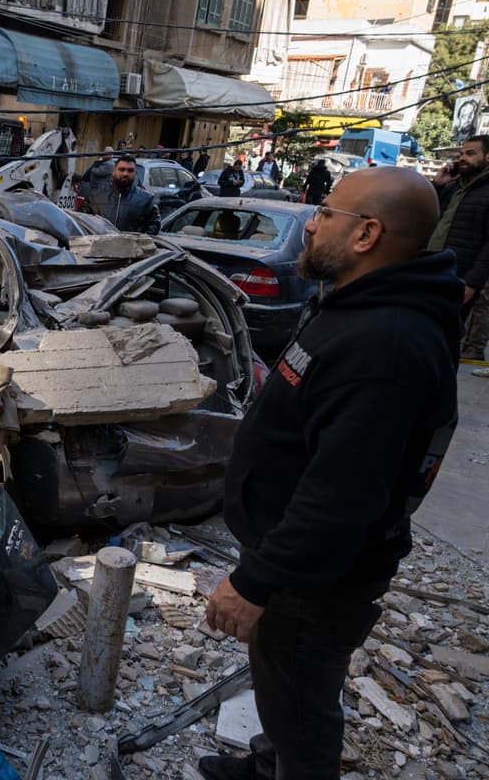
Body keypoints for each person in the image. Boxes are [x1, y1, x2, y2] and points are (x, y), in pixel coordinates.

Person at [200, 166, 462, 780]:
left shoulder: (386, 345)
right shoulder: (357, 306)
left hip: (317, 578)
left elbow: (340, 495)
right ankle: (270, 766)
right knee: (283, 685)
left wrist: (255, 582)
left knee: (303, 705)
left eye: (324, 212)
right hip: (299, 562)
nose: (310, 223)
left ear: (367, 233)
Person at [428, 135, 489, 359]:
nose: (462, 158)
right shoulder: (453, 187)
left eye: (470, 154)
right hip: (430, 270)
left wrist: (472, 283)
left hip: (458, 278)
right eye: (461, 154)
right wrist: (437, 185)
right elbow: (427, 217)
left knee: (445, 344)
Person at [84, 155, 160, 235]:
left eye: (130, 170)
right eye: (121, 169)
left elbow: (154, 225)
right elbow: (81, 220)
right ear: (113, 171)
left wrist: (139, 243)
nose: (125, 174)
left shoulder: (146, 199)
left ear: (136, 173)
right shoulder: (95, 196)